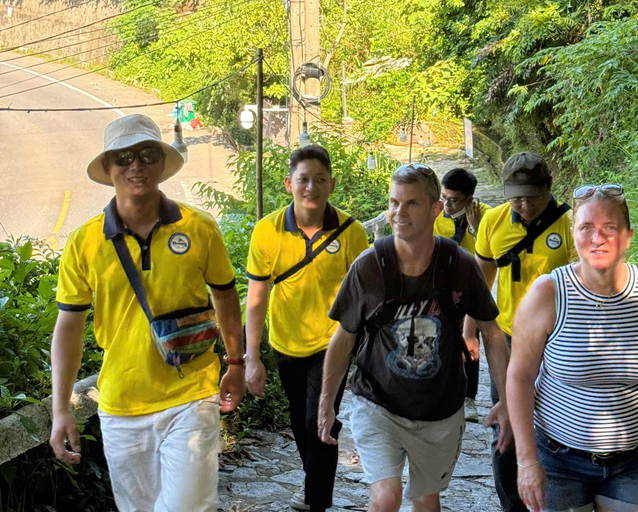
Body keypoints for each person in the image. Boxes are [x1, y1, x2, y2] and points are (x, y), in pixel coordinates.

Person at [50, 114, 245, 512]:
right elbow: (69, 326)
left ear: (160, 162)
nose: (135, 165)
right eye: (123, 157)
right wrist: (60, 408)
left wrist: (237, 361)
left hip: (190, 392)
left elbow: (226, 297)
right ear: (108, 168)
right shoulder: (84, 242)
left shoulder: (199, 228)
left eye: (146, 154)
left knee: (188, 507)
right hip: (122, 404)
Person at [318, 163, 512, 512]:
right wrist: (326, 404)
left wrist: (507, 399)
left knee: (425, 501)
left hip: (439, 409)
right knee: (386, 496)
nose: (398, 213)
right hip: (377, 400)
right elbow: (343, 338)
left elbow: (492, 333)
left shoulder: (459, 265)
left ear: (436, 208)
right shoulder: (369, 266)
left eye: (411, 204)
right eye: (394, 202)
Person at [507, 184, 638, 512]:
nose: (597, 238)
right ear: (574, 234)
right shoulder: (547, 296)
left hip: (637, 463)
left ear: (628, 236)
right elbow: (519, 378)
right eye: (586, 227)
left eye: (610, 228)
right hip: (559, 462)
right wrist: (526, 461)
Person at [244, 145, 369, 512]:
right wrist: (253, 358)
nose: (310, 187)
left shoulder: (352, 232)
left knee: (321, 416)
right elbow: (255, 299)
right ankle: (313, 483)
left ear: (331, 184)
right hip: (285, 341)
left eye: (319, 180)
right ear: (288, 184)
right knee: (302, 420)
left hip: (333, 344)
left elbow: (363, 298)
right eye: (303, 180)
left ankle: (316, 501)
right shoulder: (267, 231)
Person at [474, 152, 574, 512]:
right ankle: (512, 505)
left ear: (548, 188)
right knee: (507, 428)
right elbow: (481, 277)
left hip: (558, 339)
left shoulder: (568, 225)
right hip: (507, 338)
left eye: (532, 195)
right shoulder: (493, 222)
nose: (524, 203)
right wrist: (469, 329)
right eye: (516, 195)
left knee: (555, 423)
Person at [433, 168, 491, 423]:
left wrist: (477, 230)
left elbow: (492, 258)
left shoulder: (487, 216)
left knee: (470, 340)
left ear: (470, 199)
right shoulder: (436, 213)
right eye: (444, 197)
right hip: (440, 285)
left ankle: (469, 397)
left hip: (473, 286)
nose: (446, 204)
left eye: (454, 200)